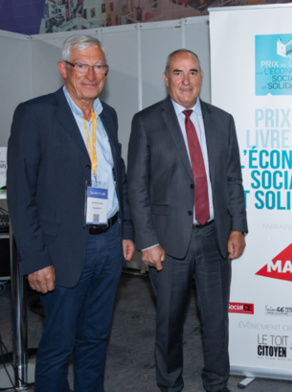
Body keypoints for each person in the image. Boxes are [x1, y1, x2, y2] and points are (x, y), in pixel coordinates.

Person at [7, 34, 135, 392]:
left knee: (95, 340)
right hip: (61, 250)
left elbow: (115, 176)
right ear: (64, 69)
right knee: (58, 347)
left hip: (108, 244)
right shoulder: (34, 114)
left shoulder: (107, 115)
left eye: (99, 66)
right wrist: (34, 259)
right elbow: (20, 195)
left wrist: (126, 231)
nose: (91, 74)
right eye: (82, 65)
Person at [127, 49, 247, 392]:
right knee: (169, 323)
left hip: (215, 238)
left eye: (192, 72)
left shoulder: (222, 120)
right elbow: (137, 187)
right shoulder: (147, 121)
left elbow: (232, 178)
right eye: (178, 73)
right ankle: (169, 386)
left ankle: (216, 384)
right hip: (168, 242)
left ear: (201, 78)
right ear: (166, 78)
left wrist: (237, 225)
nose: (186, 80)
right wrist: (147, 241)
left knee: (215, 321)